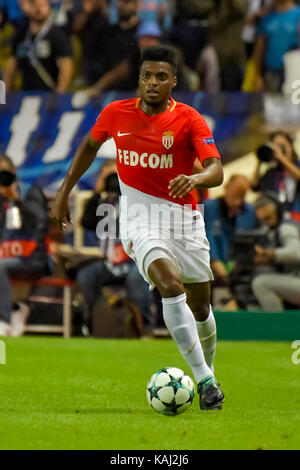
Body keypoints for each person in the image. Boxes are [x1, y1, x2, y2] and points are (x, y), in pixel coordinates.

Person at [51, 45, 225, 411]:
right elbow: (87, 146)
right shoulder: (116, 114)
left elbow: (216, 170)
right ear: (140, 78)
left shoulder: (190, 120)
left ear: (173, 82)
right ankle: (206, 382)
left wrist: (195, 179)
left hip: (184, 221)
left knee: (202, 308)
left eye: (161, 77)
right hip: (139, 219)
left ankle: (208, 370)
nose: (152, 82)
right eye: (147, 75)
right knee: (170, 285)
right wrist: (65, 191)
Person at [76, 161, 154, 334]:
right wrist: (98, 192)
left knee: (137, 278)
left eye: (115, 176)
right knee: (86, 276)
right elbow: (86, 222)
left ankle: (143, 327)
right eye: (108, 177)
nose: (113, 182)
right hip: (109, 262)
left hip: (135, 260)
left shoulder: (137, 196)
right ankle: (95, 324)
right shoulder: (102, 202)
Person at [0, 154, 49, 337]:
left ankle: (3, 322)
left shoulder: (30, 191)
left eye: (4, 173)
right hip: (7, 256)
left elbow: (40, 218)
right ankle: (15, 309)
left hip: (32, 258)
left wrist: (16, 199)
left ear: (14, 172)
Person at [3, 0, 73, 92]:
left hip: (48, 93)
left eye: (43, 5)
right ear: (28, 8)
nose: (39, 9)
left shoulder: (58, 36)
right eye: (35, 5)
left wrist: (59, 95)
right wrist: (4, 95)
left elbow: (66, 68)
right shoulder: (21, 36)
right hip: (25, 94)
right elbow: (10, 68)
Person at [204, 174, 257, 285]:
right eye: (234, 196)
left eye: (241, 197)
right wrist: (214, 261)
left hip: (240, 266)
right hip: (209, 264)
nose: (237, 202)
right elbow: (205, 237)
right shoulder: (207, 207)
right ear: (226, 187)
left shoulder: (250, 212)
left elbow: (250, 241)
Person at [251, 193, 300, 311]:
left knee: (261, 284)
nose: (266, 222)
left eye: (268, 218)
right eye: (263, 220)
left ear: (278, 211)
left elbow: (296, 252)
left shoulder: (286, 227)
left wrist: (271, 254)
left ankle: (277, 324)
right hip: (294, 276)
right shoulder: (272, 229)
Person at [251, 130, 300, 221]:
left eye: (282, 146)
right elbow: (254, 186)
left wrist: (281, 157)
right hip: (278, 218)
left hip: (296, 216)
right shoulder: (272, 171)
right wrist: (260, 162)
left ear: (291, 147)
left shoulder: (297, 165)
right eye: (275, 146)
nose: (278, 150)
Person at [253, 0, 300, 92]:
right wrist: (257, 75)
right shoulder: (267, 17)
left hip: (293, 73)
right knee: (271, 105)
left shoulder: (298, 14)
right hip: (271, 73)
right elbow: (259, 49)